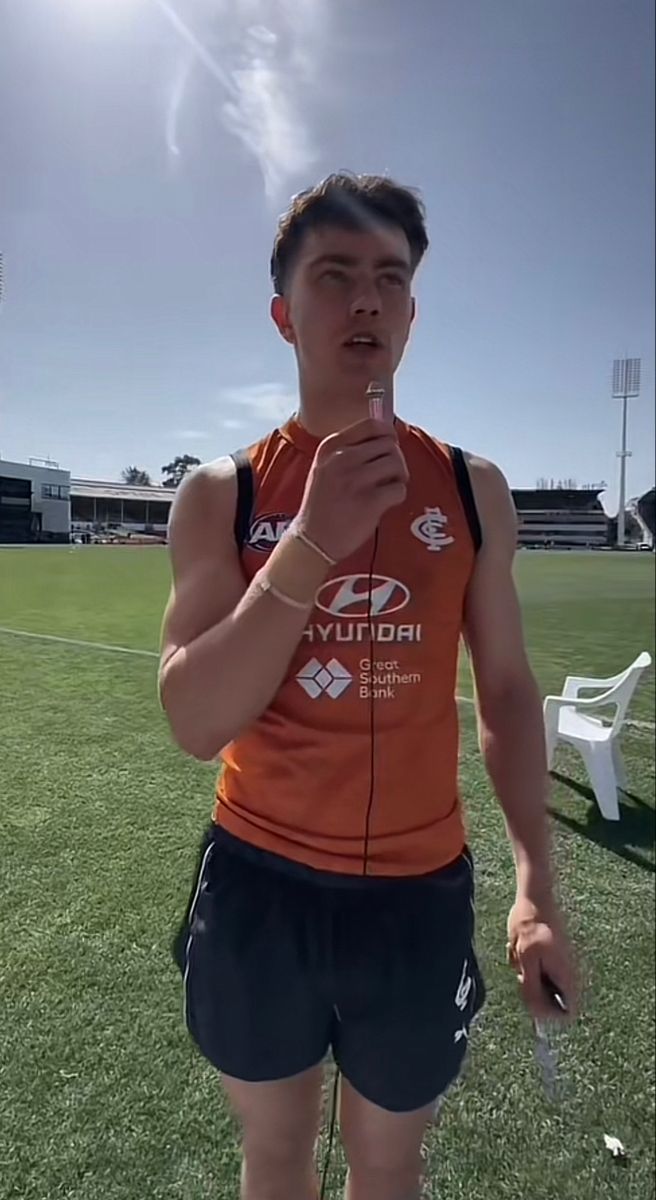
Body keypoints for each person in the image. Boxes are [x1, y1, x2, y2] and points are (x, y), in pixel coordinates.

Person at [159, 173, 577, 1200]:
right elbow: (194, 718)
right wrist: (309, 544)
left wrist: (534, 883)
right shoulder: (228, 492)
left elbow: (509, 691)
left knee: (391, 1163)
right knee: (275, 1155)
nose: (366, 301)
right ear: (282, 313)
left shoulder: (470, 489)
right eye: (334, 276)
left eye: (389, 279)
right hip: (262, 884)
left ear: (412, 313)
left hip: (416, 895)